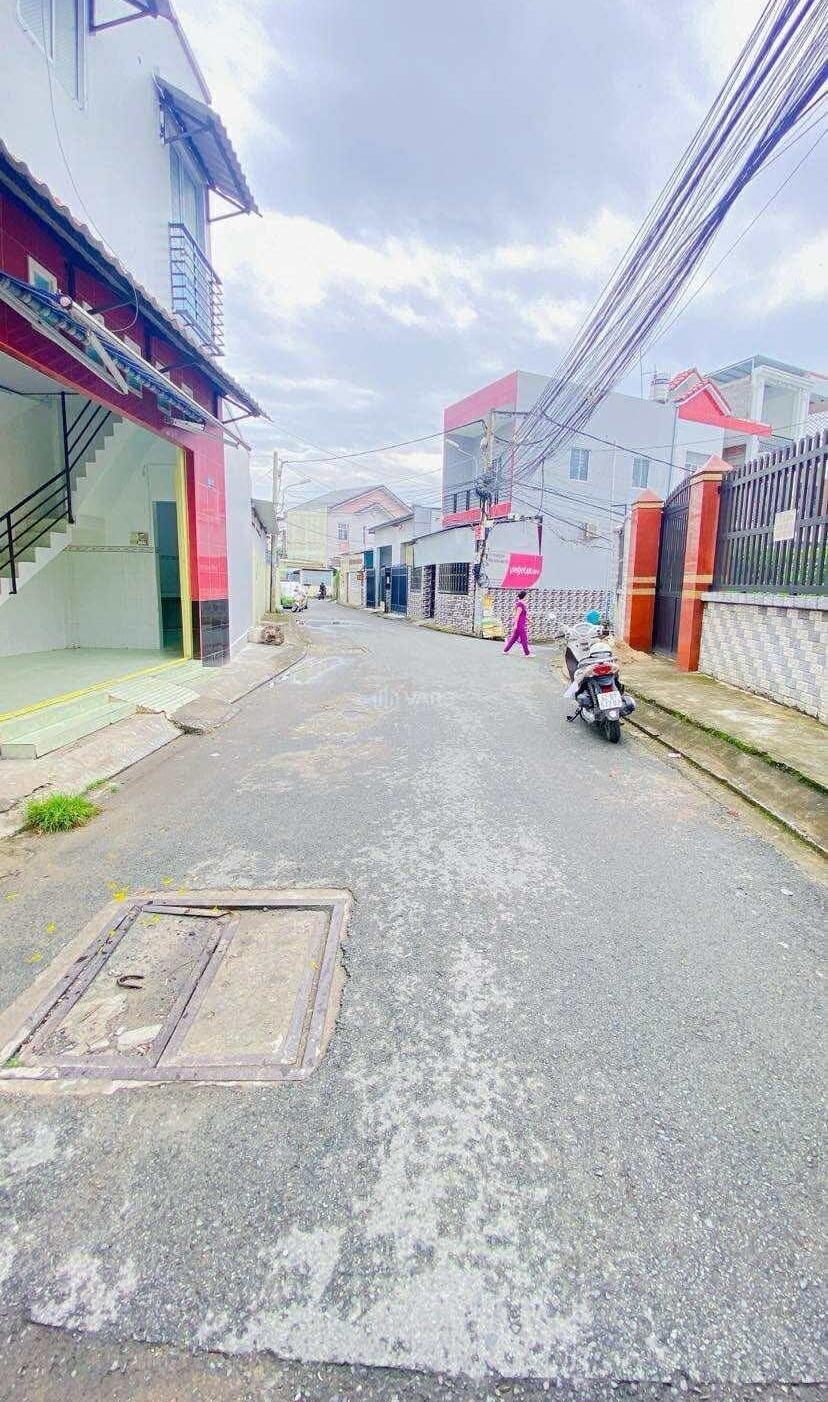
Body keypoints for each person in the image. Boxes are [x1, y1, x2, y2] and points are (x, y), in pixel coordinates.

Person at [503, 590, 532, 656]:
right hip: (519, 625)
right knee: (524, 639)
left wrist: (529, 620)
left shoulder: (522, 604)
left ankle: (505, 650)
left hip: (521, 624)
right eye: (527, 596)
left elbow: (523, 615)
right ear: (524, 596)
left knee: (513, 639)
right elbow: (517, 615)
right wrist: (515, 625)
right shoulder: (520, 605)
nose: (527, 597)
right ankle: (527, 654)